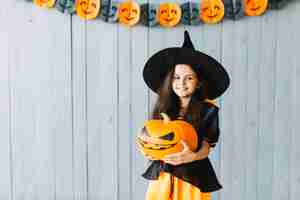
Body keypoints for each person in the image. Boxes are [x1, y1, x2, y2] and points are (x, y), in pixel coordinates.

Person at [141, 30, 230, 200]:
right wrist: (150, 150)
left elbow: (206, 145)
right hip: (163, 174)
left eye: (189, 78)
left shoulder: (207, 109)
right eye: (176, 77)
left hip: (192, 177)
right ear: (170, 81)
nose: (182, 83)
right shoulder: (164, 107)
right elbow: (154, 137)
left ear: (198, 83)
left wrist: (193, 156)